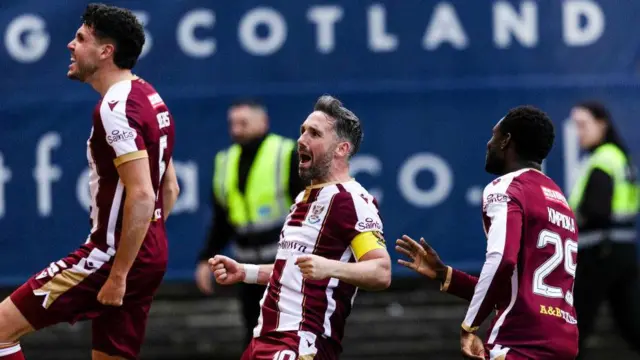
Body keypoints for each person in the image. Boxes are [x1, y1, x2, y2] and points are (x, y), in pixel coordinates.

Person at [0, 4, 178, 360]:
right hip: (148, 250)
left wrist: (120, 270)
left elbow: (144, 195)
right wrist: (144, 246)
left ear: (105, 51)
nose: (70, 45)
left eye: (80, 38)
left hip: (112, 256)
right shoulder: (149, 95)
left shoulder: (115, 108)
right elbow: (169, 187)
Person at [208, 95, 392, 360]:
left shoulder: (350, 199)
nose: (301, 139)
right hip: (265, 338)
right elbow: (294, 269)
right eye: (302, 130)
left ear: (341, 149)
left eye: (314, 133)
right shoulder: (304, 198)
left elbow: (381, 271)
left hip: (301, 342)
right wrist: (245, 272)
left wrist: (329, 267)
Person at [396, 106, 579, 360]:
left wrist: (469, 326)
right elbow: (514, 290)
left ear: (506, 141)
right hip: (563, 341)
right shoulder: (560, 200)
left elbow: (502, 260)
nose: (488, 143)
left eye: (494, 135)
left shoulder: (506, 188)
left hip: (520, 341)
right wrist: (444, 274)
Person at [194, 99, 307, 347]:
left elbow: (308, 212)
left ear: (263, 122)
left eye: (243, 123)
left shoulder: (286, 154)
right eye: (233, 124)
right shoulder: (225, 161)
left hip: (285, 266)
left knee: (290, 336)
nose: (236, 130)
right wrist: (206, 258)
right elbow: (222, 220)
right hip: (244, 267)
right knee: (254, 335)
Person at [568, 101, 640, 357]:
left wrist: (570, 218)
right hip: (623, 251)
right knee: (632, 325)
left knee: (574, 327)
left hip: (600, 253)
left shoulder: (603, 160)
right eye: (575, 126)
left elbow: (596, 210)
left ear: (602, 124)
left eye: (583, 124)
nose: (579, 132)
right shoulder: (619, 156)